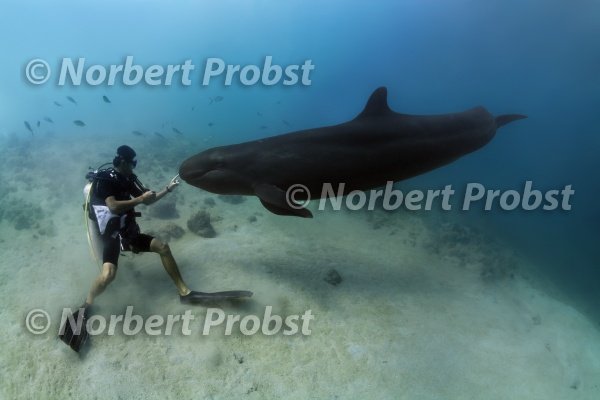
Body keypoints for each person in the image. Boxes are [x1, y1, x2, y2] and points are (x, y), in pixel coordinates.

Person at [85, 145, 205, 305]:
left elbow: (148, 200)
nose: (134, 167)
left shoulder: (129, 179)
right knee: (108, 275)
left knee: (163, 248)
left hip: (126, 230)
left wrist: (168, 189)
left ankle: (185, 293)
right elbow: (112, 206)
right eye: (132, 163)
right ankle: (87, 303)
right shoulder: (106, 179)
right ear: (123, 162)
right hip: (110, 233)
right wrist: (140, 199)